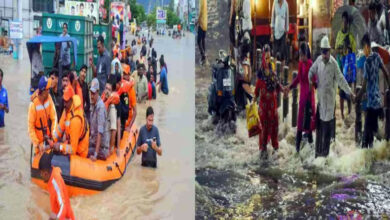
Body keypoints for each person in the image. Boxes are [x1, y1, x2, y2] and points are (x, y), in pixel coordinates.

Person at [308, 36, 355, 158]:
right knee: (319, 133)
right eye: (322, 52)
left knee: (329, 135)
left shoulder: (333, 64)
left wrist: (350, 92)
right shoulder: (318, 61)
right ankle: (319, 156)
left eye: (326, 52)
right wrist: (311, 81)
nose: (324, 55)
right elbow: (311, 72)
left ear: (329, 51)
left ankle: (328, 159)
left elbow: (341, 80)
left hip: (330, 106)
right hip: (321, 103)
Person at [357, 34, 390, 148]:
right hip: (378, 103)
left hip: (371, 105)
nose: (363, 51)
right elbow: (386, 73)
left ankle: (368, 161)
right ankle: (374, 159)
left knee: (365, 141)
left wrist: (357, 97)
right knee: (373, 136)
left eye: (363, 48)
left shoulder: (367, 63)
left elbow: (364, 86)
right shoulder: (377, 57)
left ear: (367, 46)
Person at [254, 45, 285, 159]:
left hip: (272, 109)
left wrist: (284, 89)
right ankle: (263, 153)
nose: (268, 60)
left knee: (274, 129)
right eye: (266, 58)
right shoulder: (260, 75)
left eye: (269, 58)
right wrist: (252, 104)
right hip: (264, 109)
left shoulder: (272, 72)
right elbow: (256, 91)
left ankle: (276, 153)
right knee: (264, 131)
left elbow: (277, 85)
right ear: (263, 58)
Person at [285, 43, 315, 152]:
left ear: (307, 54)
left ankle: (311, 151)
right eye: (300, 55)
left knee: (309, 127)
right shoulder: (301, 64)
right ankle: (297, 151)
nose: (301, 58)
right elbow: (298, 78)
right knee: (299, 125)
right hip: (302, 99)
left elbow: (315, 82)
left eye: (303, 55)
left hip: (309, 99)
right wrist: (290, 86)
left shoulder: (311, 65)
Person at [53, 85, 89, 157]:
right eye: (64, 101)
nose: (64, 104)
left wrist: (60, 147)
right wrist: (52, 141)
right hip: (71, 142)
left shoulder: (75, 120)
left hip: (80, 151)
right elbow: (59, 129)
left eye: (66, 102)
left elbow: (73, 149)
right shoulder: (67, 110)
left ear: (72, 100)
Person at [38, 153, 75, 220]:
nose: (40, 175)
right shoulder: (53, 171)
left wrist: (57, 218)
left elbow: (63, 206)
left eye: (41, 173)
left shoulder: (55, 183)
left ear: (45, 173)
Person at [335, 11, 357, 120]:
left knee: (347, 90)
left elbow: (354, 51)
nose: (344, 23)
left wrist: (348, 47)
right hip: (340, 67)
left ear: (348, 23)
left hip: (347, 68)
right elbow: (336, 49)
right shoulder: (339, 34)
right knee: (341, 92)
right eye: (343, 21)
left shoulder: (351, 36)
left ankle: (349, 112)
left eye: (346, 22)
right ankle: (342, 114)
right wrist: (341, 49)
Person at [28, 76, 57, 155]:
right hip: (37, 139)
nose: (49, 91)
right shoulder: (33, 105)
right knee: (36, 160)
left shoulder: (49, 98)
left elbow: (54, 118)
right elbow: (30, 129)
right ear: (43, 91)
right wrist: (37, 144)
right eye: (48, 89)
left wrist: (53, 137)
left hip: (46, 137)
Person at [88, 78, 110, 161]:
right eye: (91, 93)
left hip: (102, 149)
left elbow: (100, 133)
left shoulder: (100, 107)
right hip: (93, 143)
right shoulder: (92, 105)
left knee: (84, 152)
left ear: (98, 92)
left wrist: (95, 155)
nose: (92, 96)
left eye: (94, 93)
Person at [102, 81, 120, 156]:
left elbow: (114, 130)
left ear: (111, 92)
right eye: (106, 89)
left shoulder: (112, 107)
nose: (107, 91)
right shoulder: (100, 102)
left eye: (109, 90)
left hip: (106, 142)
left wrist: (111, 148)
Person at [271, 0, 289, 66]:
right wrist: (272, 34)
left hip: (283, 32)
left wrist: (287, 33)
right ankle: (275, 72)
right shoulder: (275, 2)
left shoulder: (286, 4)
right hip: (275, 32)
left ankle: (282, 74)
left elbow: (287, 19)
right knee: (275, 53)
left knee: (283, 55)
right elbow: (272, 18)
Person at [196, 0, 208, 65]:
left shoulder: (201, 1)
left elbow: (200, 12)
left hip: (201, 24)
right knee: (203, 40)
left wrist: (197, 22)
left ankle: (203, 55)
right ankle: (204, 57)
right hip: (205, 23)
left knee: (198, 41)